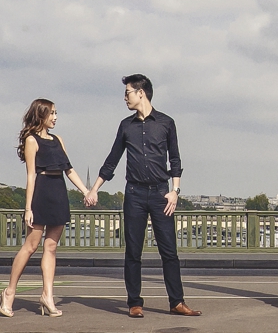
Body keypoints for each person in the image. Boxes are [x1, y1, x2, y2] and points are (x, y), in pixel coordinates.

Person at [85, 74, 200, 318]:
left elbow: (175, 159)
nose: (124, 97)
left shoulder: (166, 123)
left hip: (161, 193)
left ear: (141, 93)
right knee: (133, 252)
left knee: (169, 251)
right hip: (134, 194)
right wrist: (94, 188)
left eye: (127, 92)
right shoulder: (126, 126)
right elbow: (112, 159)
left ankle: (177, 302)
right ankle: (135, 303)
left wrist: (175, 191)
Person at [0, 99, 92, 318]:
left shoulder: (58, 140)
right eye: (52, 113)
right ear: (41, 115)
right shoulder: (31, 140)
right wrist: (28, 208)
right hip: (41, 191)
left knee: (51, 247)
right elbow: (30, 175)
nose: (56, 117)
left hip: (59, 192)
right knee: (30, 246)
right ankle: (9, 292)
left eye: (57, 113)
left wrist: (86, 191)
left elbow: (69, 170)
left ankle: (47, 296)